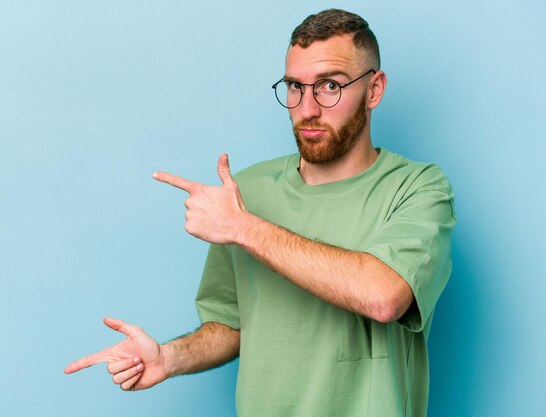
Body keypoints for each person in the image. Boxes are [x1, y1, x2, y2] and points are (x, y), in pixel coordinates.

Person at [64, 8, 455, 417]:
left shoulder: (419, 188)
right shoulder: (245, 192)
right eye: (294, 87)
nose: (307, 109)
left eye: (329, 85)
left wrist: (243, 227)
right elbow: (229, 325)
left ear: (374, 90)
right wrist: (169, 358)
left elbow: (383, 297)